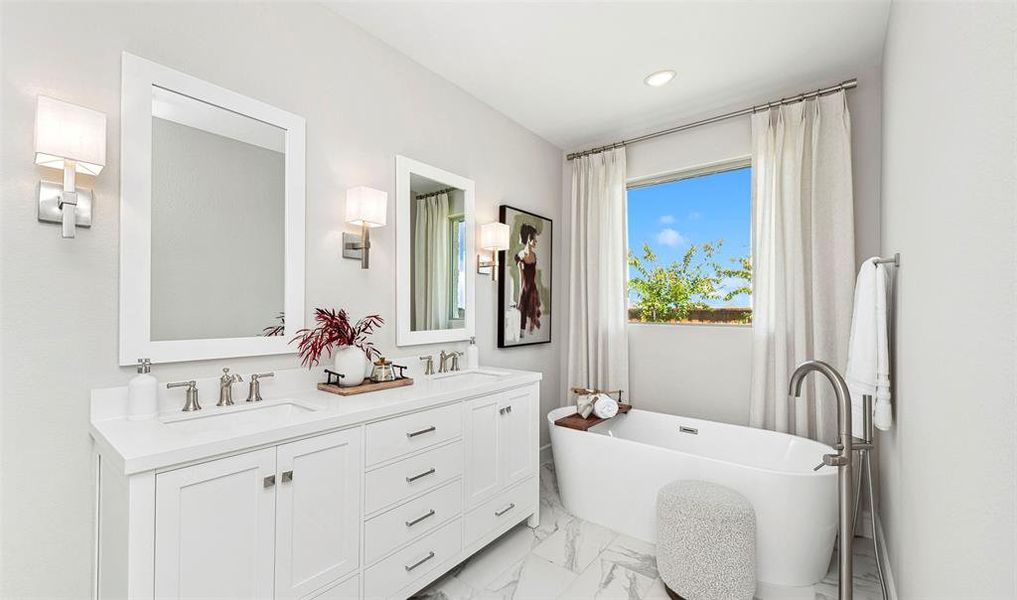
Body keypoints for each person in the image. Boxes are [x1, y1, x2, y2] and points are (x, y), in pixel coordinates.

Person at [515, 224, 542, 337]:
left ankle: (530, 333)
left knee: (533, 311)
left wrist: (535, 289)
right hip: (525, 288)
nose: (536, 241)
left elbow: (534, 275)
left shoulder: (534, 256)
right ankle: (522, 333)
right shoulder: (521, 256)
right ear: (529, 238)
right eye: (534, 239)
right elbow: (521, 278)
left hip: (532, 288)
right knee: (523, 310)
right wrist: (520, 296)